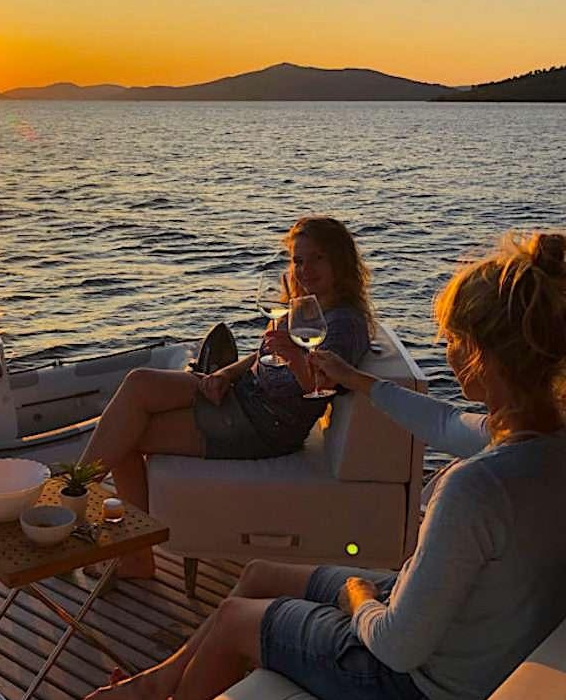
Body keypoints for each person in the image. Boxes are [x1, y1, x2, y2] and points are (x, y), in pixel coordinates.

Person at [81, 231, 566, 700]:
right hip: (474, 653)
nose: (444, 348)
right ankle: (159, 684)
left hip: (420, 695)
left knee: (236, 618)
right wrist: (355, 380)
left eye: (451, 339)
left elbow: (396, 648)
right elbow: (446, 424)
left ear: (480, 355)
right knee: (261, 574)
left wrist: (358, 596)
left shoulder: (476, 489)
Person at [78, 216, 372, 579]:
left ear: (340, 261)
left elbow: (322, 387)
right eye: (298, 260)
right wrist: (224, 373)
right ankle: (79, 493)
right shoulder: (305, 305)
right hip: (241, 394)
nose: (305, 269)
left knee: (126, 437)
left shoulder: (344, 323)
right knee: (139, 383)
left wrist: (294, 356)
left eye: (317, 258)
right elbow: (264, 354)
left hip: (263, 424)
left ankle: (85, 512)